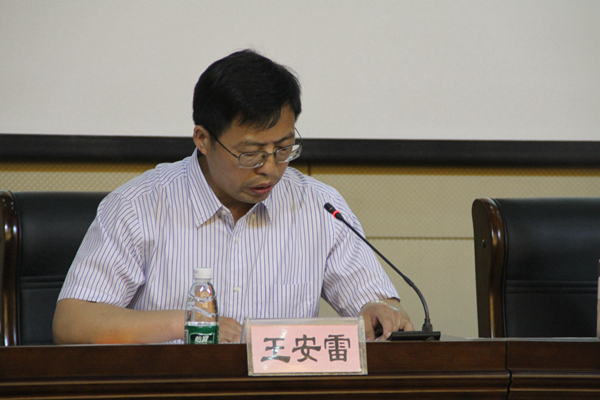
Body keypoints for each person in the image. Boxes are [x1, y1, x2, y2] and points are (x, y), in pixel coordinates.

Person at [53, 49, 414, 344]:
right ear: (203, 139)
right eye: (251, 153)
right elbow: (73, 323)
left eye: (284, 149)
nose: (270, 168)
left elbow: (377, 304)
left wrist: (380, 312)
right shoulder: (138, 206)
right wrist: (188, 323)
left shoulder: (319, 206)